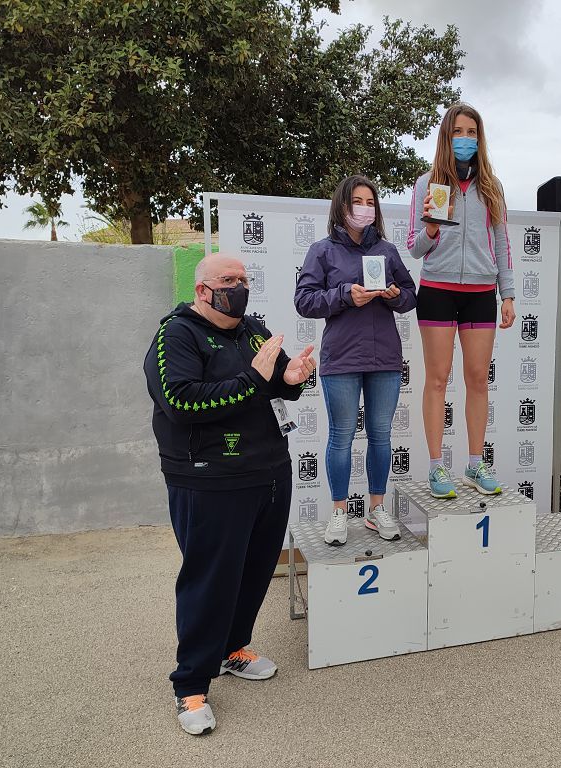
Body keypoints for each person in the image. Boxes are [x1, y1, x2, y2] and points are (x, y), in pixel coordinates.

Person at [144, 255, 316, 735]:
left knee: (257, 570)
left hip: (267, 472)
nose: (239, 288)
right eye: (228, 281)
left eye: (244, 280)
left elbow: (278, 379)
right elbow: (181, 402)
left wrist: (294, 375)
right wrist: (256, 380)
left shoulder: (254, 330)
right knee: (209, 579)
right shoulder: (175, 336)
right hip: (208, 479)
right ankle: (191, 684)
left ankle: (233, 647)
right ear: (202, 290)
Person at [295, 175, 417, 546]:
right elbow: (304, 301)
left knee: (381, 435)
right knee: (341, 437)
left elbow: (411, 295)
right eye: (357, 201)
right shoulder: (322, 251)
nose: (365, 208)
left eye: (370, 202)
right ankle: (338, 513)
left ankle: (376, 509)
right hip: (342, 358)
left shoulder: (388, 251)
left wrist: (395, 296)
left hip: (384, 359)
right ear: (342, 206)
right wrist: (346, 295)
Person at [406, 102, 516, 498]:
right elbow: (414, 248)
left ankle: (474, 462)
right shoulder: (428, 183)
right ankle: (437, 468)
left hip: (481, 294)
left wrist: (509, 295)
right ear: (446, 136)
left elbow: (502, 242)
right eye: (458, 132)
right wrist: (432, 231)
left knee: (477, 381)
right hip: (436, 289)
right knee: (437, 380)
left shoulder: (492, 186)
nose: (465, 139)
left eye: (472, 132)